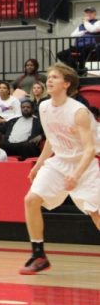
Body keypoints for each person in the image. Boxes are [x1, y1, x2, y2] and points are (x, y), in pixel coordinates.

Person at [20, 63, 100, 274]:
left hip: (84, 164)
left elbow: (90, 149)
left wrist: (76, 175)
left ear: (66, 83)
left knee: (96, 213)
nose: (49, 80)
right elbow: (50, 140)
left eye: (55, 77)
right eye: (49, 76)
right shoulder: (44, 107)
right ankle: (39, 255)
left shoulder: (79, 112)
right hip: (59, 162)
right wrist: (37, 165)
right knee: (31, 200)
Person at [57, 6, 100, 76]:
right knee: (61, 54)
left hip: (91, 45)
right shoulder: (81, 25)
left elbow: (92, 29)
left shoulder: (98, 22)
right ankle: (75, 68)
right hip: (79, 46)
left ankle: (81, 69)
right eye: (87, 13)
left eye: (91, 12)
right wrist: (84, 32)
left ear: (95, 14)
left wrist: (85, 22)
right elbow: (73, 35)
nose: (88, 14)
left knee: (81, 53)